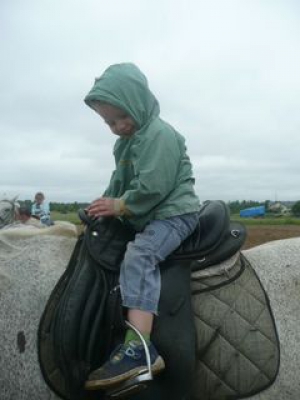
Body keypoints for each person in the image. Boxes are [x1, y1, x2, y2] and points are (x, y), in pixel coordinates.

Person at [83, 63, 201, 390]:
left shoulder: (160, 134)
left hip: (174, 213)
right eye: (109, 122)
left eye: (122, 117)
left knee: (139, 255)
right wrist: (104, 204)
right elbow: (118, 182)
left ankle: (140, 348)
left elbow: (154, 185)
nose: (118, 126)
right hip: (149, 213)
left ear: (137, 103)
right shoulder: (123, 144)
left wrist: (121, 206)